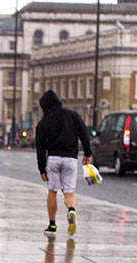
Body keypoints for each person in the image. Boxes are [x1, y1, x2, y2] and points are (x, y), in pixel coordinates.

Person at [35, 90, 91, 237]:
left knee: (52, 190)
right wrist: (87, 153)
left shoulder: (43, 122)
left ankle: (52, 225)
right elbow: (84, 134)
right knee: (69, 192)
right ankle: (71, 210)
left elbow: (40, 148)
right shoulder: (73, 115)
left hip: (53, 158)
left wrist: (41, 168)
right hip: (71, 158)